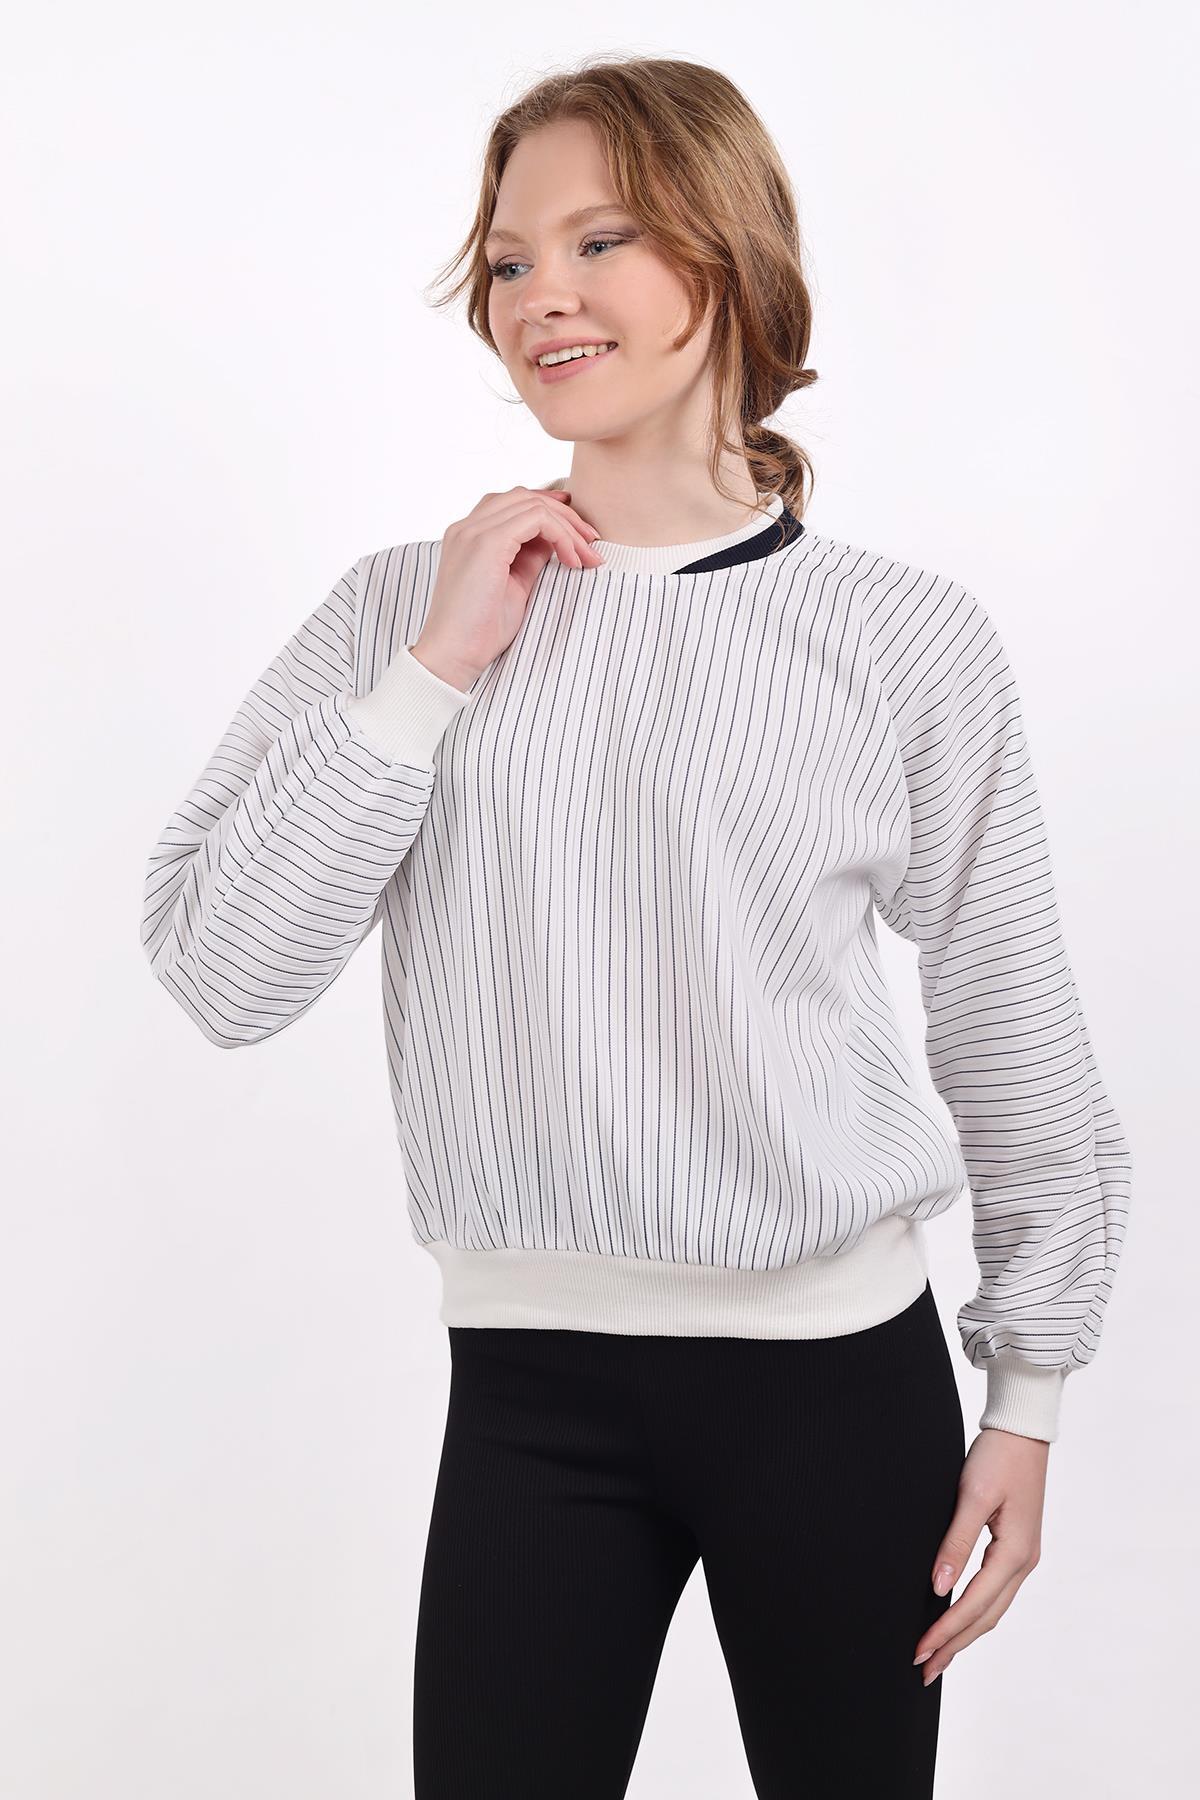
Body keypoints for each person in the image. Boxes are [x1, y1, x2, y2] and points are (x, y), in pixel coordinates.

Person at [140, 55, 1133, 1800]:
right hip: (527, 1392)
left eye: (600, 241)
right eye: (509, 261)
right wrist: (439, 668)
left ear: (729, 255)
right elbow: (223, 970)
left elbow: (1009, 1019)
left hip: (838, 1394)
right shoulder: (400, 611)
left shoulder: (900, 638)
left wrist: (1030, 1396)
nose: (544, 296)